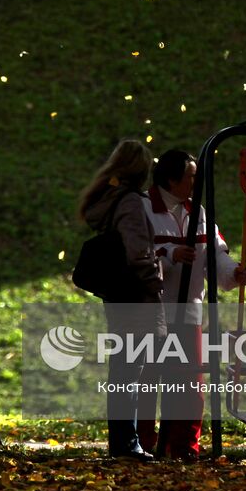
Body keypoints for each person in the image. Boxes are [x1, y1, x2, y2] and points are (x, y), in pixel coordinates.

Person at [139, 149, 246, 461]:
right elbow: (138, 253)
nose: (196, 182)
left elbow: (215, 251)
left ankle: (185, 446)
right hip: (153, 311)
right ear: (172, 179)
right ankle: (145, 444)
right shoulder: (143, 208)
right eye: (191, 176)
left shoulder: (197, 211)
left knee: (189, 382)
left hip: (188, 311)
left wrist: (232, 271)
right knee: (148, 380)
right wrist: (170, 255)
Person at [78, 138, 164, 461]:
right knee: (129, 370)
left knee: (125, 368)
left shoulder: (111, 199)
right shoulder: (130, 203)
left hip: (118, 295)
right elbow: (138, 250)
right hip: (136, 296)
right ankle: (126, 443)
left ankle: (124, 440)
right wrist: (154, 281)